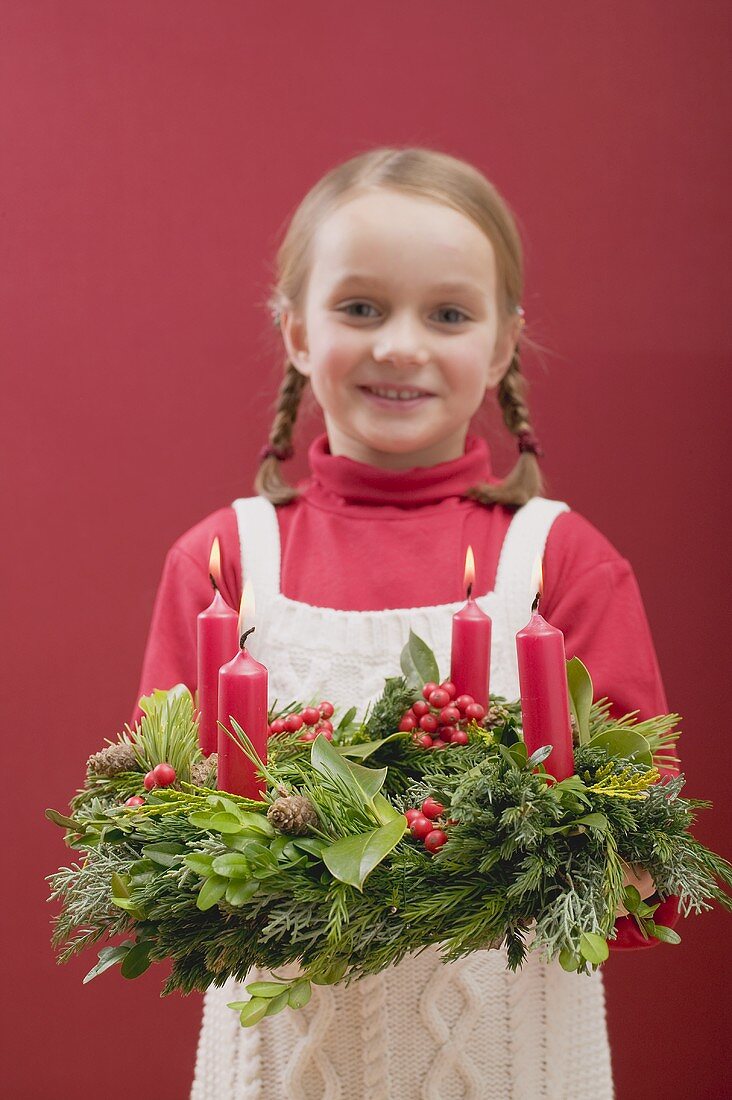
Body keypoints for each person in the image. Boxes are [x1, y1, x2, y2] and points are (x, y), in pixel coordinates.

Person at [132, 147, 681, 1100]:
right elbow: (158, 828)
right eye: (359, 308)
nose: (399, 345)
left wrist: (575, 852)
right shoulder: (224, 566)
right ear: (296, 329)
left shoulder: (562, 563)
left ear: (503, 345)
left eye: (449, 314)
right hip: (282, 1071)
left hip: (513, 1065)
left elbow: (641, 855)